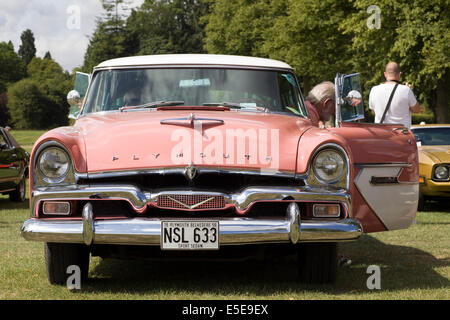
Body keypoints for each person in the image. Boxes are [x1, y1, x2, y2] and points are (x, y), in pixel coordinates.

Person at [369, 62, 424, 129]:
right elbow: (417, 110)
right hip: (401, 135)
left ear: (385, 74)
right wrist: (410, 92)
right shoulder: (406, 90)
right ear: (399, 74)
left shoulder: (374, 90)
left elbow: (374, 112)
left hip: (381, 135)